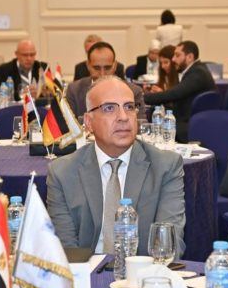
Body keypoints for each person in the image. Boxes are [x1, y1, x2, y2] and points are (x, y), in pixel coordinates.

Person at [47, 76, 186, 257]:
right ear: (89, 122)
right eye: (109, 108)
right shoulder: (62, 172)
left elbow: (168, 247)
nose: (123, 117)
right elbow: (66, 253)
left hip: (144, 272)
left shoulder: (165, 166)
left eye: (129, 107)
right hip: (86, 272)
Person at [142, 41, 216, 143]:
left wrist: (143, 98)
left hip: (190, 125)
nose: (173, 59)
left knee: (154, 128)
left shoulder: (198, 73)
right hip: (189, 120)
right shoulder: (196, 70)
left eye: (177, 55)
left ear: (190, 57)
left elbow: (175, 94)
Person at [64, 41, 145, 119]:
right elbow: (68, 126)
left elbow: (140, 125)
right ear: (88, 66)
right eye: (96, 68)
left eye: (107, 68)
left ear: (115, 66)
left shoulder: (134, 92)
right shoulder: (74, 91)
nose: (102, 74)